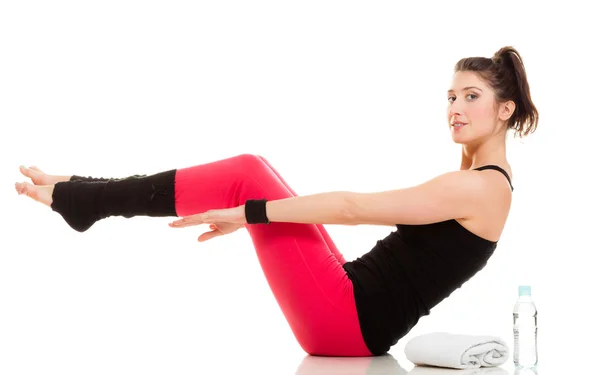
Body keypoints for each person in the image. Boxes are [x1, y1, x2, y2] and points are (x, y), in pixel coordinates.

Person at [15, 45, 538, 357]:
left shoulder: (482, 186)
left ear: (505, 110)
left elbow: (355, 209)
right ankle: (86, 191)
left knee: (247, 179)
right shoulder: (476, 177)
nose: (454, 107)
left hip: (348, 323)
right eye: (451, 96)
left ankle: (89, 199)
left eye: (471, 96)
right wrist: (253, 217)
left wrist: (249, 214)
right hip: (352, 304)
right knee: (255, 172)